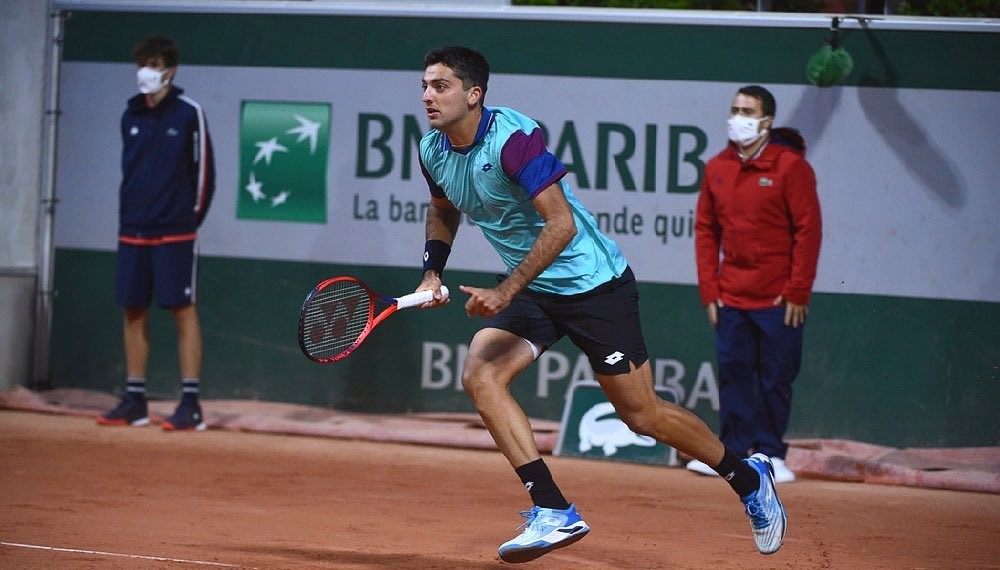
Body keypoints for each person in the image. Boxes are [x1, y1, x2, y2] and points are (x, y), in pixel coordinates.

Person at [414, 46, 787, 563]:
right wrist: (432, 271)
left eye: (441, 86)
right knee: (481, 374)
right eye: (425, 86)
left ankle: (748, 478)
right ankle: (552, 509)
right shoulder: (431, 149)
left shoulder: (512, 141)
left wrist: (505, 291)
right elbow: (442, 208)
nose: (428, 96)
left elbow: (562, 224)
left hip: (594, 285)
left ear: (474, 94)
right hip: (536, 287)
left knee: (642, 415)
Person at [688, 85, 822, 484]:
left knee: (776, 377)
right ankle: (731, 453)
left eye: (747, 111)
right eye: (735, 109)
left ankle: (770, 454)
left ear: (767, 122)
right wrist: (710, 290)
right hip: (731, 295)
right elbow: (705, 230)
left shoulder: (791, 167)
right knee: (733, 374)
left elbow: (808, 231)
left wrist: (798, 289)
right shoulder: (717, 167)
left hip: (779, 298)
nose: (738, 117)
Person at [97, 35, 215, 431]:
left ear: (170, 71)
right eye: (142, 65)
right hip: (132, 230)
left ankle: (191, 405)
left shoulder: (189, 113)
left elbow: (204, 175)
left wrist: (187, 222)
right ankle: (135, 401)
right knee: (132, 310)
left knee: (183, 310)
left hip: (175, 232)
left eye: (154, 65)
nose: (146, 72)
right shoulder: (130, 115)